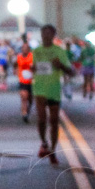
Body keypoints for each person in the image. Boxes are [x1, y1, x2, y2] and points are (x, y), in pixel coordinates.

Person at [31, 25, 73, 165]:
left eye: (49, 34)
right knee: (42, 119)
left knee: (54, 121)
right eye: (44, 33)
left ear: (53, 35)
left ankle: (53, 150)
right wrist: (33, 68)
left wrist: (60, 65)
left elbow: (71, 72)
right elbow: (33, 67)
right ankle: (44, 142)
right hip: (40, 89)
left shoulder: (59, 51)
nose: (46, 36)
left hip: (54, 89)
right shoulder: (36, 51)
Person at [16, 40, 34, 123]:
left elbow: (36, 67)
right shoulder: (19, 57)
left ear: (29, 49)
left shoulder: (32, 56)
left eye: (26, 48)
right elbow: (15, 65)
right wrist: (16, 72)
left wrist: (33, 67)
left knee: (30, 99)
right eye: (23, 48)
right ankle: (24, 113)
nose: (25, 49)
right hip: (22, 80)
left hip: (31, 80)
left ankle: (28, 110)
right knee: (24, 97)